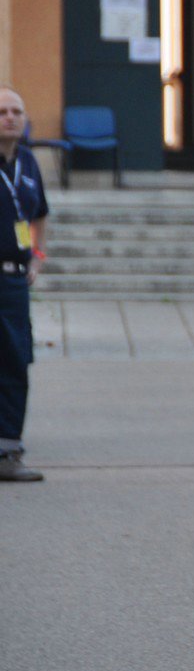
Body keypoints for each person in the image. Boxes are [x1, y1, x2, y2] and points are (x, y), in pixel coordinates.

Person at [0, 88, 46, 482]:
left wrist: (38, 255)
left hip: (13, 282)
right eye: (2, 111)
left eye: (16, 111)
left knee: (16, 362)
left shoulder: (29, 163)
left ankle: (9, 453)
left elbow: (39, 215)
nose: (10, 117)